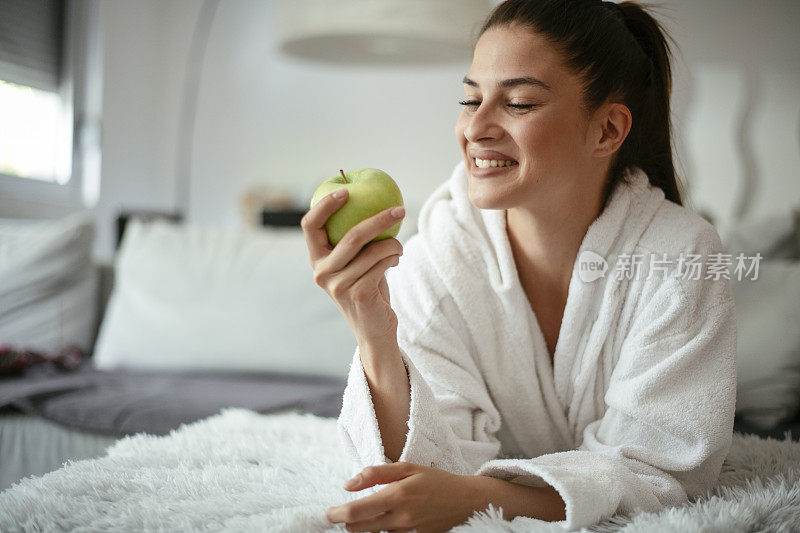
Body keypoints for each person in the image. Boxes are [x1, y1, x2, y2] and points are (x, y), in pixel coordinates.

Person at [303, 0, 737, 531]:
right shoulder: (438, 254)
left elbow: (659, 472)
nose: (476, 128)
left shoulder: (682, 256)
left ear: (606, 130)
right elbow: (415, 475)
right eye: (470, 99)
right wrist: (374, 331)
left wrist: (476, 499)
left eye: (519, 103)